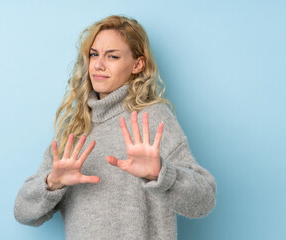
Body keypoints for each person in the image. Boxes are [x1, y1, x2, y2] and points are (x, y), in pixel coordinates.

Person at [14, 15, 216, 240]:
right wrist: (52, 183)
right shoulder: (76, 128)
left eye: (113, 56)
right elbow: (24, 214)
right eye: (94, 54)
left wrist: (160, 173)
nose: (99, 65)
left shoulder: (152, 119)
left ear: (137, 64)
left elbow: (204, 202)